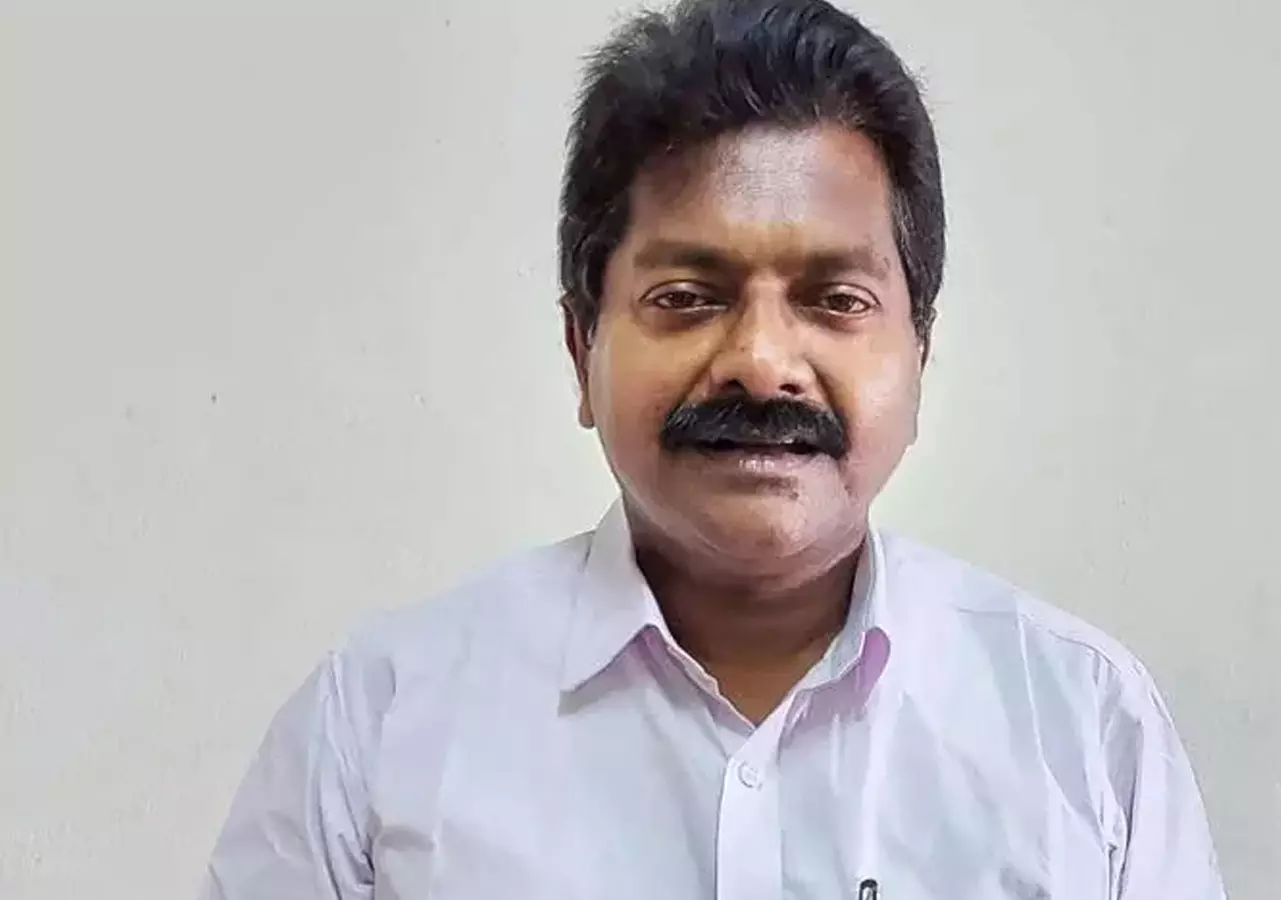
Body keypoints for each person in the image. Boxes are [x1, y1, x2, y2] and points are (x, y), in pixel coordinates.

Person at [201, 0, 1226, 897]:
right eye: (688, 298)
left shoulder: (1082, 727)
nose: (762, 363)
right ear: (582, 350)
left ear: (918, 354)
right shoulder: (380, 724)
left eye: (836, 300)